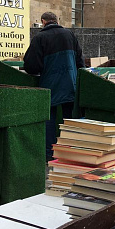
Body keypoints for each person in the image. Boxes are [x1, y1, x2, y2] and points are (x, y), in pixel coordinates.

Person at [24, 12, 85, 161]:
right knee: (69, 121)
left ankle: (49, 155)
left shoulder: (40, 38)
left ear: (43, 22)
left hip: (49, 85)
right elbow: (80, 61)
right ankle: (70, 153)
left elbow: (31, 66)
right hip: (70, 84)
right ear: (56, 21)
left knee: (49, 121)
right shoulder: (69, 35)